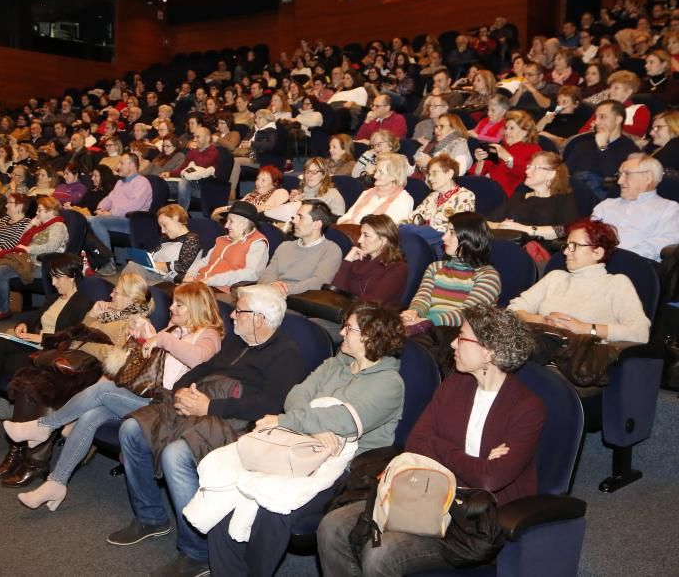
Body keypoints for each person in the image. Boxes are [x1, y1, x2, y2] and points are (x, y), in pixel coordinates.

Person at [318, 306, 545, 576]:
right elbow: (417, 443)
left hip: (473, 519)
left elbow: (489, 480)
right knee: (332, 526)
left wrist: (440, 447)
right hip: (426, 492)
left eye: (462, 338)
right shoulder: (454, 385)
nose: (452, 344)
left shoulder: (527, 407)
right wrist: (471, 461)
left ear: (489, 352)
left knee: (382, 552)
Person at [107, 284, 309, 577]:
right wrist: (180, 391)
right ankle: (150, 517)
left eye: (240, 311)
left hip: (238, 424)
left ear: (260, 319)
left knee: (176, 454)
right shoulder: (238, 342)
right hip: (203, 405)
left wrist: (210, 407)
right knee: (130, 430)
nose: (233, 316)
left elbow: (271, 405)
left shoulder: (286, 356)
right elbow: (205, 368)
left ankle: (196, 552)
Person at [202, 303, 407, 577]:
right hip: (299, 445)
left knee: (273, 508)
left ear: (371, 336)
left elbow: (344, 420)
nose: (342, 332)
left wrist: (289, 421)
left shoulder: (389, 384)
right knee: (227, 486)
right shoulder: (337, 363)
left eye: (350, 328)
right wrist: (313, 428)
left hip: (344, 468)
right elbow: (295, 396)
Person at [5, 281, 223, 511]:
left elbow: (199, 358)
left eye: (180, 305)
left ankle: (44, 427)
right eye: (173, 303)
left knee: (102, 390)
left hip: (165, 404)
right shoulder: (173, 329)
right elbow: (150, 366)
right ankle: (56, 482)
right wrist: (141, 339)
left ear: (196, 306)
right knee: (91, 415)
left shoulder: (209, 334)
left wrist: (162, 340)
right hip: (145, 393)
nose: (171, 309)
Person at [0, 254, 93, 453]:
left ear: (72, 276)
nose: (52, 282)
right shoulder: (53, 299)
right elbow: (34, 320)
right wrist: (23, 325)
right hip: (34, 346)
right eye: (51, 277)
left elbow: (73, 340)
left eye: (57, 278)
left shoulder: (83, 302)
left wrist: (41, 338)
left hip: (49, 355)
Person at [510, 219, 650, 344]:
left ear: (597, 253)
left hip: (577, 363)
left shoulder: (616, 284)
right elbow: (513, 309)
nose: (565, 252)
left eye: (574, 246)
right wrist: (544, 321)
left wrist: (584, 328)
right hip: (537, 350)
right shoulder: (555, 277)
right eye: (567, 246)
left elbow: (640, 332)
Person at [402, 212, 501, 329]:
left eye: (452, 233)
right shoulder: (435, 267)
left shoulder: (488, 275)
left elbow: (467, 315)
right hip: (426, 328)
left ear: (470, 237)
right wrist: (414, 313)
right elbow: (422, 299)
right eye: (446, 231)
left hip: (456, 334)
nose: (444, 237)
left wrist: (427, 322)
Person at [0, 196, 68, 320]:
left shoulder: (58, 226)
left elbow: (51, 247)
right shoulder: (40, 226)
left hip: (41, 265)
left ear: (50, 211)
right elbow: (21, 241)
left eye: (40, 210)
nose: (36, 213)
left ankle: (3, 310)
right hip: (27, 260)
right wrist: (29, 226)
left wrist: (28, 249)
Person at [591, 154, 679, 262]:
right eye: (619, 174)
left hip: (637, 266)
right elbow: (589, 235)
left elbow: (664, 242)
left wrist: (620, 257)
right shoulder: (605, 205)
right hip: (596, 264)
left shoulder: (668, 208)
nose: (619, 181)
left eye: (627, 174)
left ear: (647, 178)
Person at [487, 151, 578, 242]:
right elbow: (487, 222)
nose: (527, 171)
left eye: (534, 168)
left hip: (538, 250)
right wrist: (501, 226)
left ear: (551, 174)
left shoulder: (563, 199)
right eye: (528, 167)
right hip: (507, 244)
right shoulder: (519, 196)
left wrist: (524, 229)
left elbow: (564, 230)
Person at [257, 200, 341, 297]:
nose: (294, 220)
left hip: (299, 301)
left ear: (316, 224)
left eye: (300, 217)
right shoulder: (285, 246)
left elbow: (319, 282)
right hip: (270, 295)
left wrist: (284, 290)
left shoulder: (331, 250)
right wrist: (272, 285)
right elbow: (267, 274)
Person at [185, 202, 269, 293]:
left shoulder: (257, 243)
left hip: (221, 290)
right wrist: (190, 274)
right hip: (200, 284)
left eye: (231, 221)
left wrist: (211, 281)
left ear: (244, 224)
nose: (226, 225)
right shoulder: (222, 239)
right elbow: (205, 261)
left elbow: (251, 274)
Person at [87, 153, 152, 270]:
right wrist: (100, 209)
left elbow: (134, 205)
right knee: (85, 220)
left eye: (121, 163)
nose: (118, 166)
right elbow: (109, 199)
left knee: (97, 222)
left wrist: (111, 213)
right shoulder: (120, 183)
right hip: (116, 219)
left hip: (133, 223)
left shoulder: (142, 182)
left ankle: (108, 263)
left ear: (132, 165)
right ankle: (93, 261)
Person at [328, 214, 409, 306]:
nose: (360, 240)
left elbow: (372, 303)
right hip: (341, 312)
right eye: (361, 234)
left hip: (369, 318)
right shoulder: (359, 259)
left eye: (366, 235)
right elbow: (334, 292)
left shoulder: (397, 268)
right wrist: (347, 262)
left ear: (383, 240)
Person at [566, 100, 639, 200]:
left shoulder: (629, 149)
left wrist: (602, 147)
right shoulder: (583, 142)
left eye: (602, 117)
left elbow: (611, 177)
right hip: (573, 194)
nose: (596, 122)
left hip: (602, 199)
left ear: (618, 119)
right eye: (596, 117)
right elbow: (566, 172)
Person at [469, 110, 543, 197]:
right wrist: (480, 161)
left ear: (525, 132)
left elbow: (526, 173)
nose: (507, 132)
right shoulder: (502, 147)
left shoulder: (534, 150)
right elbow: (476, 176)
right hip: (482, 187)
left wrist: (507, 157)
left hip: (501, 194)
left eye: (511, 128)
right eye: (506, 128)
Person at [122, 205, 202, 284]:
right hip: (155, 273)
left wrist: (153, 265)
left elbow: (181, 267)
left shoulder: (192, 238)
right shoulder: (165, 238)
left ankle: (122, 293)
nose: (162, 231)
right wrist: (142, 261)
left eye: (164, 225)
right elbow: (151, 255)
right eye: (160, 227)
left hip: (169, 277)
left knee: (134, 269)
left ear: (176, 218)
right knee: (133, 266)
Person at [338, 154, 413, 225]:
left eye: (380, 172)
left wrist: (358, 229)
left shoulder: (404, 200)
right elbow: (345, 217)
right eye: (375, 171)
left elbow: (389, 231)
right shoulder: (367, 193)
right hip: (350, 232)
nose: (375, 176)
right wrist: (346, 223)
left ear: (394, 176)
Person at [410, 154, 476, 234]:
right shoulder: (432, 196)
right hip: (424, 237)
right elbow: (414, 217)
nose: (430, 178)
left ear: (449, 174)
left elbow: (459, 228)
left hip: (445, 241)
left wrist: (425, 229)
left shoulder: (465, 196)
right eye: (429, 174)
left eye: (434, 173)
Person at [212, 165, 289, 221]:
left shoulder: (280, 193)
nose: (258, 183)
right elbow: (238, 206)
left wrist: (257, 209)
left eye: (263, 180)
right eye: (257, 179)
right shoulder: (250, 195)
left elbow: (274, 213)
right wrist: (222, 209)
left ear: (274, 183)